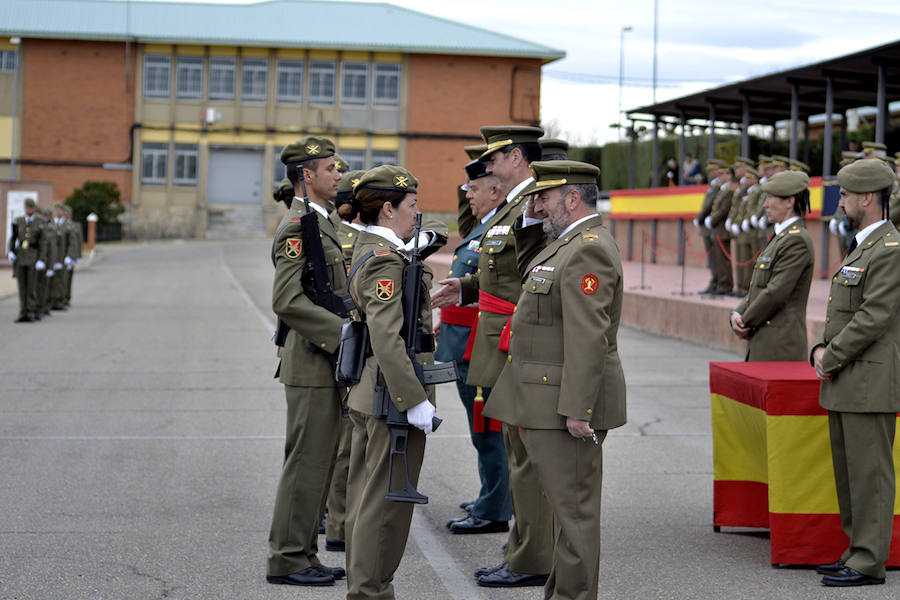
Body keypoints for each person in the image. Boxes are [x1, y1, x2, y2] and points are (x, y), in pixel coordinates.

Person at [484, 159, 626, 600]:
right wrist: (530, 219)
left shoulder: (589, 248)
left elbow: (590, 337)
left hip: (567, 405)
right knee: (566, 515)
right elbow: (528, 270)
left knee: (575, 515)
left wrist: (579, 410)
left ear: (571, 198)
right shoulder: (564, 243)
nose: (537, 207)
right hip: (548, 399)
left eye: (543, 198)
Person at [432, 125, 553, 588]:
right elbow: (498, 273)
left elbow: (533, 281)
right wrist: (462, 287)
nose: (487, 164)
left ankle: (527, 556)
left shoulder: (531, 207)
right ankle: (523, 550)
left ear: (517, 157)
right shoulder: (512, 207)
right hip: (499, 338)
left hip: (514, 341)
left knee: (522, 453)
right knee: (516, 451)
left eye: (495, 156)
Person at [340, 165, 444, 600]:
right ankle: (370, 592)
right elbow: (386, 336)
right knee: (385, 508)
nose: (417, 214)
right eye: (412, 206)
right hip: (390, 397)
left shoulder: (376, 249)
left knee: (366, 502)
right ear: (388, 209)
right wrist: (414, 400)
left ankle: (366, 588)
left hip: (374, 391)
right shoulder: (384, 260)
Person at [811, 158, 900, 587]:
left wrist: (831, 355)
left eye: (844, 195)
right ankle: (856, 550)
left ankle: (868, 561)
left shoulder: (889, 249)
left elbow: (873, 317)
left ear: (867, 198)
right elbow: (844, 314)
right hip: (850, 377)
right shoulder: (863, 244)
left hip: (869, 381)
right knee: (851, 475)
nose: (840, 202)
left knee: (871, 476)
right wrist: (820, 348)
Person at [266, 136, 348, 587]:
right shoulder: (299, 226)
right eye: (330, 168)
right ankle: (287, 558)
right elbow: (286, 299)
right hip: (311, 361)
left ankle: (303, 552)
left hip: (323, 361)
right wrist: (344, 335)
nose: (338, 175)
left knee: (318, 461)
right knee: (306, 462)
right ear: (306, 175)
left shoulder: (322, 222)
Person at [437, 157, 512, 534]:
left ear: (496, 191)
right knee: (480, 428)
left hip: (478, 343)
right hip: (463, 337)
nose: (468, 194)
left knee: (489, 428)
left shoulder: (502, 226)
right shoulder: (484, 224)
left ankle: (495, 507)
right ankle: (492, 494)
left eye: (475, 188)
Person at [322, 168, 367, 554]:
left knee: (349, 443)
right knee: (345, 445)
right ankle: (337, 523)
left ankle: (339, 519)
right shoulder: (338, 232)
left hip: (352, 344)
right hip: (349, 345)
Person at [729, 171, 814, 360]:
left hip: (779, 346)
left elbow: (776, 292)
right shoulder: (781, 237)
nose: (765, 205)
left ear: (790, 202)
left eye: (770, 198)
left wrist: (744, 319)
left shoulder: (796, 240)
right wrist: (737, 312)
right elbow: (758, 290)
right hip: (765, 341)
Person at [7, 197, 48, 322]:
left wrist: (42, 259)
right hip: (21, 256)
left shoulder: (39, 222)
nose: (29, 209)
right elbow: (13, 238)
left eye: (31, 207)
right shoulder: (18, 221)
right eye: (27, 207)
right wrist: (11, 251)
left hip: (33, 256)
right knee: (22, 286)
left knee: (31, 286)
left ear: (34, 208)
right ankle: (23, 312)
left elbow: (43, 242)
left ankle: (31, 312)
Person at [694, 159, 725, 293]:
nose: (711, 173)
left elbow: (709, 206)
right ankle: (714, 280)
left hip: (712, 225)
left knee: (716, 257)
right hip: (708, 226)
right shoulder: (713, 186)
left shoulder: (718, 187)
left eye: (713, 170)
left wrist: (700, 218)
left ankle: (718, 282)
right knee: (712, 258)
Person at [705, 165, 735, 295]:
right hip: (717, 228)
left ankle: (725, 285)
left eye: (723, 174)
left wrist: (711, 220)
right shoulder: (722, 190)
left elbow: (723, 210)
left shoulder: (729, 190)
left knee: (723, 260)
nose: (720, 177)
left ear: (729, 176)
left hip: (722, 228)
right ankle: (720, 284)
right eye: (720, 174)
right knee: (718, 259)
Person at [49, 203, 71, 311]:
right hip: (51, 257)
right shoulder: (50, 224)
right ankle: (50, 301)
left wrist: (70, 256)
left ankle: (59, 301)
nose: (58, 212)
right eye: (57, 210)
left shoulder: (67, 225)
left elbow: (71, 242)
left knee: (61, 281)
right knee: (51, 280)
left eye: (60, 210)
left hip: (62, 257)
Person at [63, 205, 82, 307]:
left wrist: (78, 256)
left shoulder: (76, 225)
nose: (66, 215)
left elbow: (78, 241)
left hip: (72, 255)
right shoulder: (62, 225)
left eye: (67, 213)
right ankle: (62, 297)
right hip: (63, 256)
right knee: (63, 278)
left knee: (69, 278)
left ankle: (67, 297)